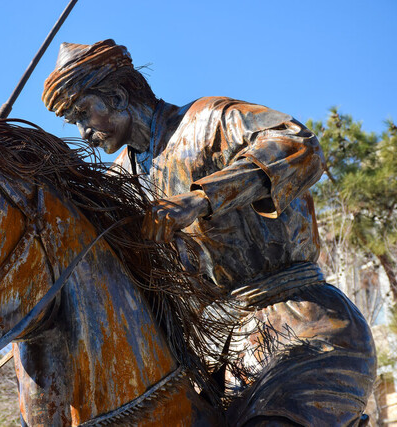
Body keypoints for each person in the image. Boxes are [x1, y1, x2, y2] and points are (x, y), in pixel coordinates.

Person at [42, 39, 376, 426]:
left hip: (304, 328)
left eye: (84, 114)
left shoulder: (209, 120)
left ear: (117, 97)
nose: (83, 132)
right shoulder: (121, 180)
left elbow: (298, 145)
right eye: (74, 122)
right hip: (215, 355)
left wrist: (200, 199)